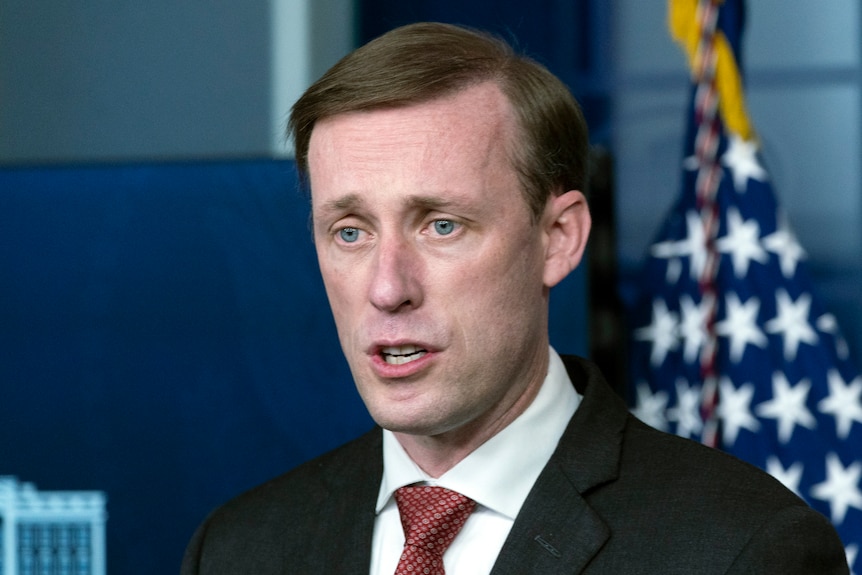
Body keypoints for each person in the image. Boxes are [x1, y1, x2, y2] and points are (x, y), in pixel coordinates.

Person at [181, 22, 849, 574]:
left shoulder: (745, 551)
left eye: (441, 225)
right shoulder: (239, 549)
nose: (387, 288)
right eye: (350, 232)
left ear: (558, 238)